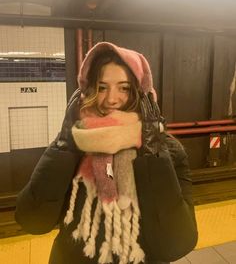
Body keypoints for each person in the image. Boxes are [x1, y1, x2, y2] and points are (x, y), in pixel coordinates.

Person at [15, 42, 198, 264]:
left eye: (124, 88)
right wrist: (65, 145)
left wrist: (152, 151)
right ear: (89, 91)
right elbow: (33, 220)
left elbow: (178, 242)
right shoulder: (74, 144)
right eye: (102, 87)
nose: (111, 99)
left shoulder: (166, 150)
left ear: (142, 94)